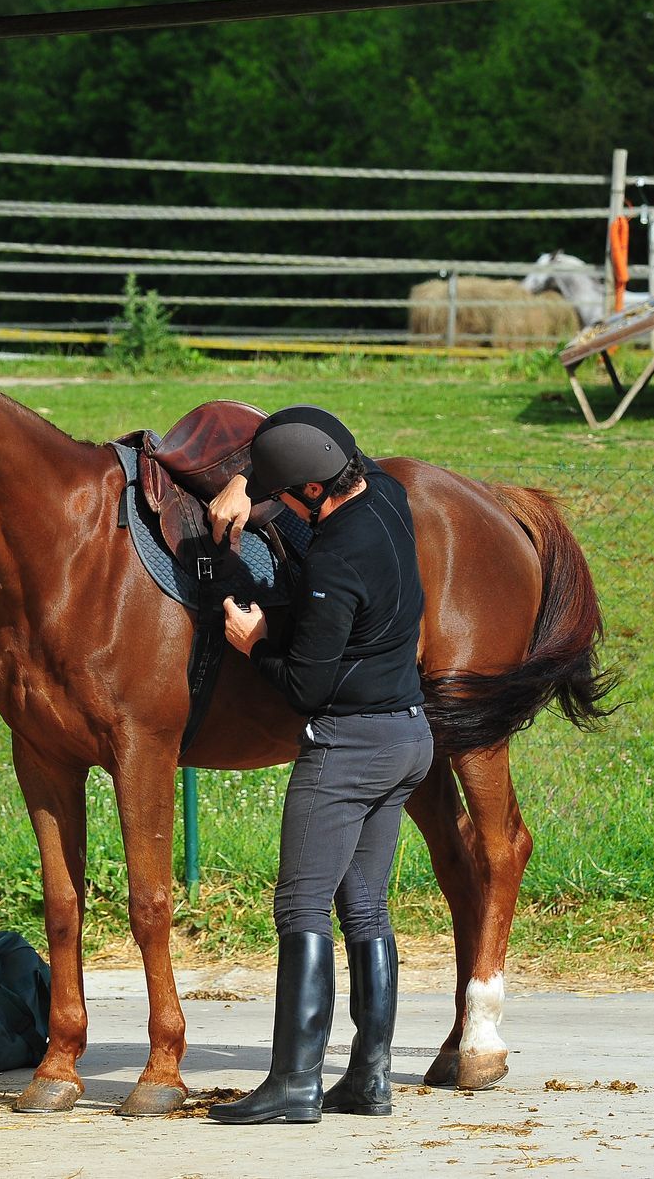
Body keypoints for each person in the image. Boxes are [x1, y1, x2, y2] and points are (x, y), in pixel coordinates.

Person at [203, 405, 433, 1125]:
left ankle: (295, 1083)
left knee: (302, 907)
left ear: (308, 493)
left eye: (282, 493)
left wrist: (253, 642)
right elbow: (314, 430)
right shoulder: (389, 496)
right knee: (365, 904)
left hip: (349, 749)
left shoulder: (336, 558)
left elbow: (306, 685)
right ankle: (369, 1078)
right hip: (408, 737)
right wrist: (246, 475)